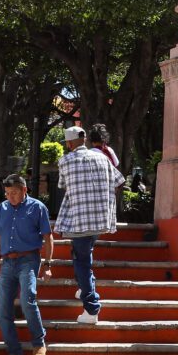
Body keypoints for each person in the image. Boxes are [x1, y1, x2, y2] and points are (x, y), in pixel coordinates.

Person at [54, 125, 124, 326]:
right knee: (84, 255)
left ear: (69, 143)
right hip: (101, 219)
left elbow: (62, 185)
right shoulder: (103, 157)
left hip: (80, 220)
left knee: (81, 261)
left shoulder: (66, 160)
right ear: (84, 139)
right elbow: (119, 180)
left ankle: (91, 307)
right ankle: (85, 287)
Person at [0, 174, 53, 355]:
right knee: (3, 311)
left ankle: (39, 344)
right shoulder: (3, 207)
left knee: (27, 300)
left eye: (15, 193)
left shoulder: (38, 207)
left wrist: (48, 265)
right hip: (7, 263)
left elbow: (48, 237)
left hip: (29, 260)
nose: (11, 197)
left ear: (24, 190)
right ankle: (14, 353)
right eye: (7, 193)